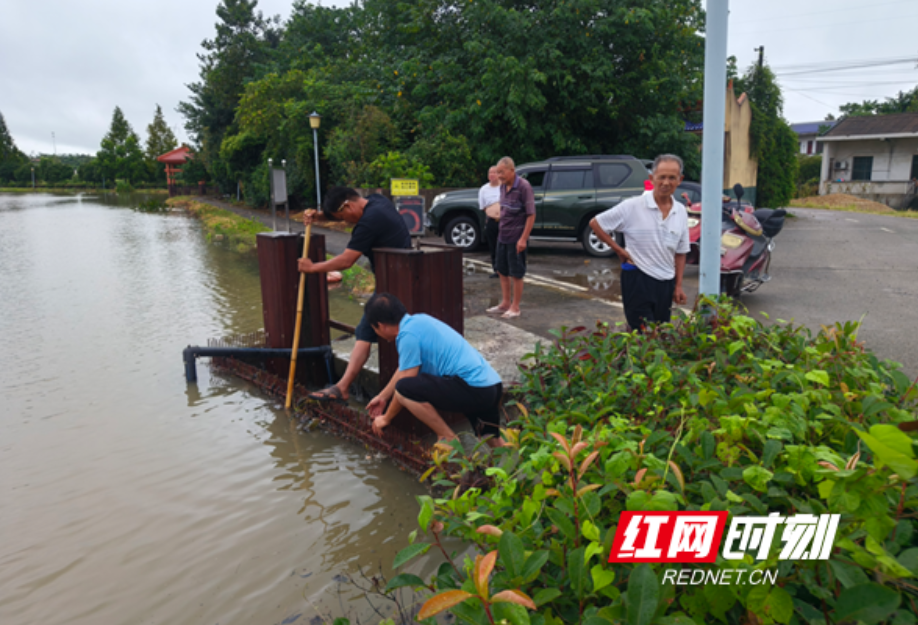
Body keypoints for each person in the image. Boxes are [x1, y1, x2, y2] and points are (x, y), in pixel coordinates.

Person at [298, 187, 411, 402]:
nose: (345, 222)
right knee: (364, 331)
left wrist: (312, 267)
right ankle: (343, 386)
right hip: (397, 277)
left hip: (396, 284)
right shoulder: (377, 202)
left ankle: (344, 387)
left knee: (366, 330)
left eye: (342, 217)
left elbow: (346, 261)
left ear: (348, 206)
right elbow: (344, 217)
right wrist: (319, 216)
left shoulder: (369, 221)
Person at [364, 293, 506, 448]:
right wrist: (383, 397)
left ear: (381, 325)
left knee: (404, 389)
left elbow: (404, 384)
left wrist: (386, 419)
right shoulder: (419, 320)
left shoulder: (407, 336)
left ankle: (447, 436)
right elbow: (405, 369)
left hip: (471, 388)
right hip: (491, 385)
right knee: (491, 440)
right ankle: (522, 463)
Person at [589, 154, 690, 331]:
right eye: (662, 177)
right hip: (638, 278)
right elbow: (596, 224)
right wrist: (618, 250)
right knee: (643, 333)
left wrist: (678, 286)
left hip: (666, 282)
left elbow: (681, 252)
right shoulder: (632, 206)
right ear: (652, 178)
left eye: (672, 178)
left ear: (680, 180)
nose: (666, 182)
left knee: (661, 331)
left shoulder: (680, 211)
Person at [487, 156, 535, 319]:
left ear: (512, 171)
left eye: (502, 172)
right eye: (497, 172)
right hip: (503, 235)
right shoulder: (503, 187)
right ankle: (505, 303)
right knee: (501, 270)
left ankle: (515, 307)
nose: (499, 175)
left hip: (517, 237)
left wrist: (523, 239)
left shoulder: (524, 187)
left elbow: (531, 215)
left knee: (516, 273)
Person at [478, 166, 501, 278]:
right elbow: (483, 207)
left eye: (494, 172)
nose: (492, 175)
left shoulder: (504, 187)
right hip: (491, 221)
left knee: (505, 245)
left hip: (505, 221)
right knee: (493, 245)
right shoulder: (483, 189)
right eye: (490, 172)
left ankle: (506, 269)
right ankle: (496, 270)